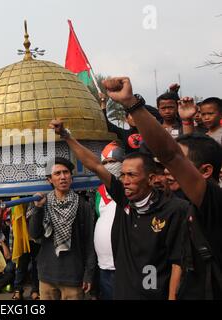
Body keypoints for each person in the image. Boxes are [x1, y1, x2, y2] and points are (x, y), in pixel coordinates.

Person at [102, 76, 222, 299]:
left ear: (205, 172)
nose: (166, 171)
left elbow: (171, 154)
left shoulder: (213, 203)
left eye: (178, 167)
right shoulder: (184, 205)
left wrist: (132, 104)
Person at [49, 119, 188, 300]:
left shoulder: (174, 209)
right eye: (122, 175)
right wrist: (66, 136)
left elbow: (178, 263)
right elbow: (96, 165)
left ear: (151, 178)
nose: (125, 180)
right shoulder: (124, 200)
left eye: (131, 175)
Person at [27, 157, 96, 300]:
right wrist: (38, 209)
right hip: (47, 277)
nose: (62, 177)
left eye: (66, 172)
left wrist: (89, 274)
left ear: (71, 177)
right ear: (49, 180)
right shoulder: (42, 203)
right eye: (57, 174)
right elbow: (34, 234)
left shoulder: (82, 205)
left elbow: (90, 241)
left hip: (73, 277)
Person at [93, 141, 124, 300]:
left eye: (112, 162)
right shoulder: (98, 192)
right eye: (104, 163)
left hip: (124, 265)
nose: (108, 166)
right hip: (103, 265)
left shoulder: (130, 189)